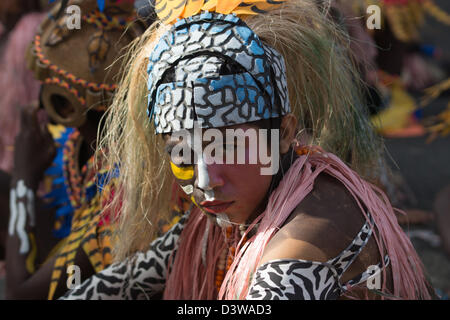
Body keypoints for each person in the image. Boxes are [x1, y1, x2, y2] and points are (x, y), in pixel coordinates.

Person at [61, 0, 433, 300]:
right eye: (182, 153)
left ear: (285, 132)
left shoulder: (300, 244)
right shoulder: (228, 216)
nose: (206, 179)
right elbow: (114, 284)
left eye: (229, 147)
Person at [5, 0, 145, 299]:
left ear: (66, 105)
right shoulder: (68, 145)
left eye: (48, 89)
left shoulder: (125, 186)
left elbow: (22, 294)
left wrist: (23, 179)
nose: (40, 102)